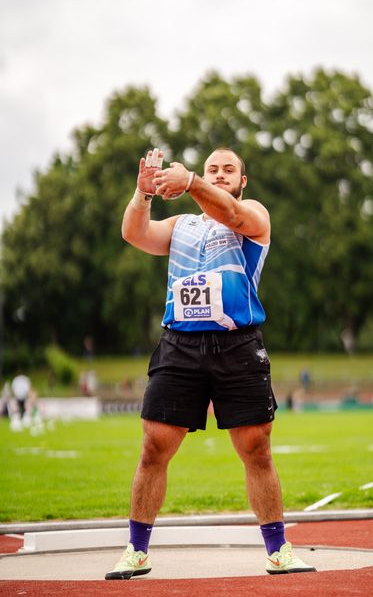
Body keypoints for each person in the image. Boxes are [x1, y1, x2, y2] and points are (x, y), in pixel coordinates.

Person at [105, 147, 316, 580]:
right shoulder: (182, 225)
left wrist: (192, 184)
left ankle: (278, 550)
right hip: (179, 345)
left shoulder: (253, 213)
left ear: (242, 181)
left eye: (228, 170)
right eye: (211, 169)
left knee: (256, 448)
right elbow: (135, 235)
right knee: (154, 447)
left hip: (237, 345)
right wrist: (142, 195)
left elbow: (235, 217)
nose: (219, 175)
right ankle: (137, 550)